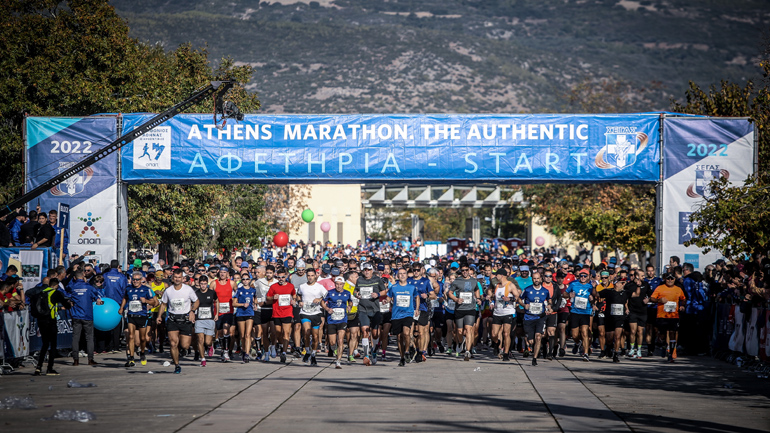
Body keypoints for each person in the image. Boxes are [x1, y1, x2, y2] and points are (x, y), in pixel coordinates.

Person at [156, 269, 199, 374]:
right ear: (172, 278)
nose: (177, 279)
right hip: (172, 319)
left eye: (179, 277)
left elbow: (196, 301)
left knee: (185, 345)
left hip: (185, 319)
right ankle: (177, 365)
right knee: (173, 343)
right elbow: (164, 304)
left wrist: (192, 311)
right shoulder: (168, 290)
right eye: (175, 277)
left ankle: (182, 349)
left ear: (182, 278)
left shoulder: (188, 289)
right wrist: (159, 316)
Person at [33, 278, 72, 376]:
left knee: (45, 344)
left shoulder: (41, 292)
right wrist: (69, 305)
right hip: (50, 321)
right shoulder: (56, 293)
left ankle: (38, 367)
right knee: (53, 344)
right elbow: (66, 305)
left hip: (41, 320)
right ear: (57, 285)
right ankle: (50, 368)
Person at [120, 271, 158, 367]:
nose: (135, 281)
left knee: (142, 338)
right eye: (134, 279)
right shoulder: (128, 288)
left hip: (142, 316)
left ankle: (142, 352)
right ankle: (131, 358)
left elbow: (154, 302)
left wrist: (146, 301)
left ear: (141, 280)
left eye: (137, 279)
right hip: (131, 315)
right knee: (131, 336)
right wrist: (121, 307)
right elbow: (125, 298)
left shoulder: (146, 289)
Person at [66, 271, 103, 366]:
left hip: (76, 315)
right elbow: (97, 297)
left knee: (75, 337)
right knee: (89, 337)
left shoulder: (72, 287)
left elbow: (66, 292)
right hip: (87, 315)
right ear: (83, 277)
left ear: (74, 278)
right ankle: (90, 359)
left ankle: (75, 360)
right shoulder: (89, 287)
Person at [355, 262, 387, 366]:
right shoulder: (359, 280)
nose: (366, 272)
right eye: (365, 270)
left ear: (372, 270)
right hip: (363, 309)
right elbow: (355, 291)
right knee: (365, 331)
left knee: (375, 333)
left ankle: (373, 351)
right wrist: (357, 294)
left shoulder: (377, 280)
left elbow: (384, 291)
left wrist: (377, 294)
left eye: (368, 270)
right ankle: (366, 355)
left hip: (375, 310)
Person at [386, 267, 418, 367]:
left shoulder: (411, 287)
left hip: (408, 313)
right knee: (399, 337)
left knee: (406, 332)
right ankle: (402, 357)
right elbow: (388, 297)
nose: (402, 275)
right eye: (400, 273)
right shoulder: (394, 287)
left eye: (404, 273)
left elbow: (417, 297)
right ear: (397, 276)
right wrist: (385, 301)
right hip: (396, 315)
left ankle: (407, 350)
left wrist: (416, 309)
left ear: (407, 275)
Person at [651, 273, 686, 363]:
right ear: (665, 279)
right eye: (668, 279)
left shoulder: (678, 289)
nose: (670, 280)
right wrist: (659, 300)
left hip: (674, 315)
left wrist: (682, 305)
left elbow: (683, 298)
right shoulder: (660, 288)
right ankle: (663, 344)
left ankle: (670, 353)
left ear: (675, 279)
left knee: (672, 333)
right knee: (662, 334)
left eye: (672, 279)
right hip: (662, 315)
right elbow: (652, 298)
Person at [447, 264, 480, 361]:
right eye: (463, 270)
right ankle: (461, 342)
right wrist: (456, 299)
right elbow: (449, 293)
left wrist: (478, 298)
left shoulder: (474, 280)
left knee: (469, 329)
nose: (465, 272)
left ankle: (467, 351)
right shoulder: (457, 281)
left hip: (471, 308)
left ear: (469, 270)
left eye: (466, 270)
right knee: (459, 331)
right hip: (460, 309)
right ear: (460, 271)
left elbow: (476, 289)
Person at [599, 277, 635, 363]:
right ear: (616, 283)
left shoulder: (625, 292)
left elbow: (636, 294)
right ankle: (609, 347)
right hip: (610, 317)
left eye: (624, 283)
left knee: (618, 336)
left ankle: (616, 353)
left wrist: (637, 284)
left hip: (620, 318)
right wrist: (593, 288)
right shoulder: (608, 292)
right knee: (609, 338)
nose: (623, 285)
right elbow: (597, 294)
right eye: (621, 283)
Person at [520, 272, 551, 366]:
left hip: (540, 317)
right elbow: (519, 299)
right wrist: (523, 305)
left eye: (538, 278)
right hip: (529, 317)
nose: (536, 280)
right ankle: (530, 346)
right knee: (531, 341)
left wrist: (549, 305)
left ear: (541, 279)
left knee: (538, 336)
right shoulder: (527, 290)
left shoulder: (545, 291)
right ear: (532, 279)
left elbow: (549, 300)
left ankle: (535, 358)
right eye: (534, 278)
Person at [266, 268, 297, 363]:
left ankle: (284, 353)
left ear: (286, 276)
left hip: (287, 312)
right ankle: (279, 345)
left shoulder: (291, 286)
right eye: (279, 277)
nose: (281, 279)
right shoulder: (273, 286)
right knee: (278, 333)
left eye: (283, 277)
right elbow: (267, 298)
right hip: (276, 313)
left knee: (286, 333)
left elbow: (294, 296)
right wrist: (273, 297)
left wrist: (294, 301)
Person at [298, 268, 327, 366]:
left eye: (312, 275)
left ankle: (313, 354)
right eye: (308, 275)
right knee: (306, 331)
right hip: (305, 312)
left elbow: (327, 295)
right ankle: (307, 351)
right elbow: (298, 295)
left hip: (316, 313)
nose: (310, 277)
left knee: (315, 336)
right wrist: (299, 302)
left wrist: (319, 299)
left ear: (315, 276)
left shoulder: (320, 287)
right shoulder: (302, 286)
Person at [322, 276, 352, 368]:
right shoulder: (330, 293)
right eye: (337, 284)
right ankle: (334, 350)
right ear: (334, 284)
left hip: (342, 319)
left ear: (343, 284)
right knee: (332, 342)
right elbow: (322, 302)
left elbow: (350, 302)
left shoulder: (347, 293)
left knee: (340, 340)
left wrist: (349, 306)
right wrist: (327, 309)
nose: (339, 286)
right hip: (331, 320)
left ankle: (338, 360)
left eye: (340, 284)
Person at [490, 269, 520, 362]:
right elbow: (494, 296)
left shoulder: (510, 285)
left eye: (497, 275)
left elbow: (517, 297)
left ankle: (506, 353)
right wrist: (490, 299)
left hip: (507, 312)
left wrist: (509, 298)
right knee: (494, 334)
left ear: (501, 275)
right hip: (497, 312)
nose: (496, 277)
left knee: (506, 334)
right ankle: (497, 342)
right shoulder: (497, 286)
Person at [567, 268, 594, 361]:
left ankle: (585, 353)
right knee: (574, 335)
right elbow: (564, 294)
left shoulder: (590, 286)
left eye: (585, 276)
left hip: (585, 312)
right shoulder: (573, 284)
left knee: (584, 332)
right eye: (581, 276)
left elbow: (597, 296)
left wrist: (593, 296)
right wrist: (569, 295)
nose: (582, 277)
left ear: (588, 277)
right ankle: (577, 343)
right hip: (575, 311)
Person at [210, 267, 236, 362]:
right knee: (220, 333)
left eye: (224, 272)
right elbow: (209, 295)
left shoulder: (232, 283)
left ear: (227, 274)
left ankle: (226, 351)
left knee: (226, 329)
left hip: (229, 311)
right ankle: (222, 349)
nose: (222, 274)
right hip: (217, 311)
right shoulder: (214, 283)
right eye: (221, 272)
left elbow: (238, 293)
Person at [102, 260, 128, 353]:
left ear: (110, 266)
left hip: (107, 303)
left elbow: (102, 288)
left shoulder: (105, 276)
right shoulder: (122, 277)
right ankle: (116, 346)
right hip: (118, 303)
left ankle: (108, 346)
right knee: (117, 324)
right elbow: (125, 290)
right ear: (118, 266)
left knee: (107, 324)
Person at [194, 275, 218, 367]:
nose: (203, 286)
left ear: (207, 284)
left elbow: (217, 301)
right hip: (199, 319)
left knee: (207, 341)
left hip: (209, 319)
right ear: (199, 284)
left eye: (205, 284)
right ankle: (203, 359)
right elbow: (192, 303)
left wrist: (216, 313)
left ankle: (210, 346)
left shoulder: (212, 292)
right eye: (201, 284)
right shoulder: (196, 293)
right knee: (200, 340)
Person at [233, 274, 256, 363]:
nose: (245, 281)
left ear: (249, 280)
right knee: (242, 335)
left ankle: (247, 353)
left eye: (247, 279)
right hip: (240, 313)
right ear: (241, 281)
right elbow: (234, 303)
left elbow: (255, 300)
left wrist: (255, 304)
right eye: (244, 279)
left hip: (250, 313)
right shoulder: (239, 290)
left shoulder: (253, 290)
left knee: (248, 334)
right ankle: (243, 350)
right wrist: (242, 304)